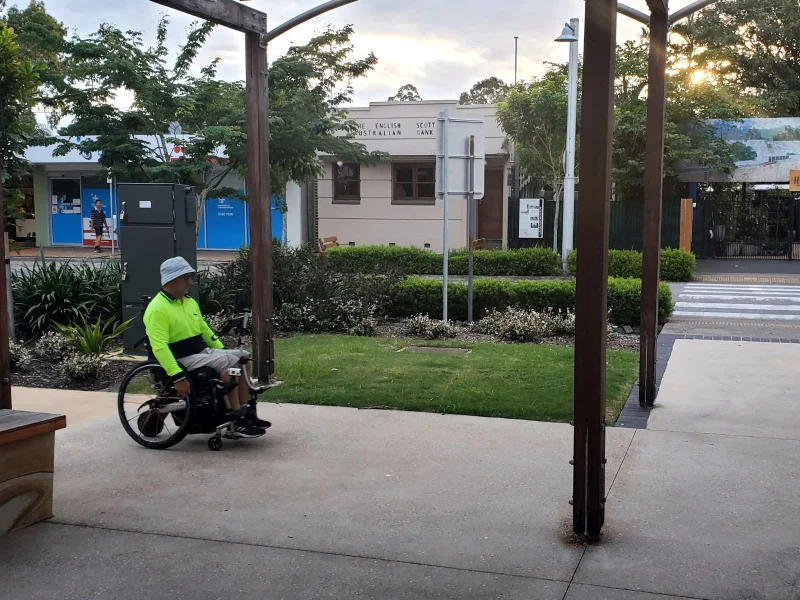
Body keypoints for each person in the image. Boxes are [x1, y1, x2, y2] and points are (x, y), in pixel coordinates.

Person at [143, 256, 270, 438]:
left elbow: (204, 330)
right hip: (182, 359)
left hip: (200, 352)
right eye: (186, 276)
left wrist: (220, 348)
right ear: (172, 279)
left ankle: (245, 412)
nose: (190, 281)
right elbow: (159, 347)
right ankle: (237, 417)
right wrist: (177, 376)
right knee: (231, 362)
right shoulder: (157, 309)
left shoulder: (188, 302)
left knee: (243, 356)